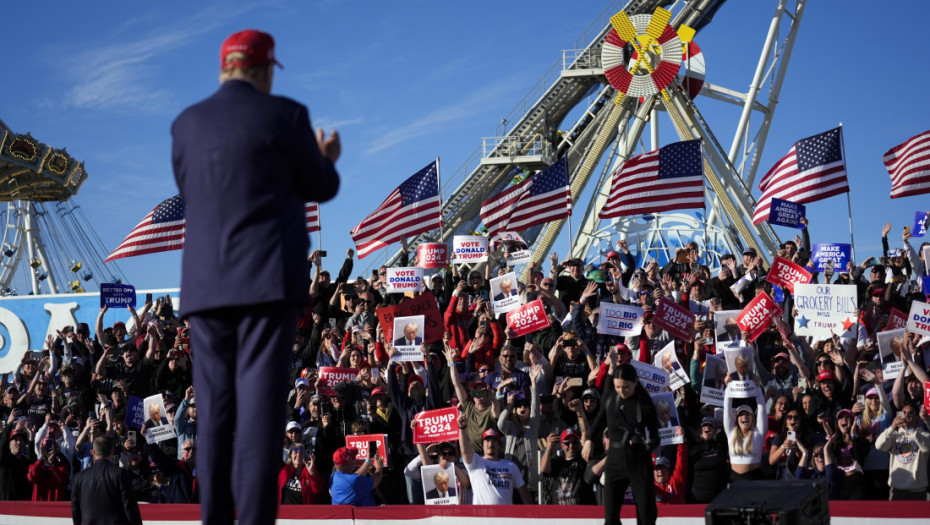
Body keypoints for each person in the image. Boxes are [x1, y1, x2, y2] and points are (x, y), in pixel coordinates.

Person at [172, 29, 340, 525]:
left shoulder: (186, 124)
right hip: (267, 284)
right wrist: (325, 156)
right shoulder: (285, 115)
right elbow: (321, 185)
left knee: (215, 412)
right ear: (266, 70)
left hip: (205, 289)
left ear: (225, 68)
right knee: (261, 415)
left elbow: (192, 186)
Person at [588, 363, 659, 525]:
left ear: (635, 382)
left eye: (625, 387)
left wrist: (645, 445)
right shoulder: (610, 398)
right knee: (610, 517)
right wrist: (589, 440)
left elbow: (655, 438)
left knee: (646, 515)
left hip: (639, 460)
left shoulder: (645, 404)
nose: (621, 390)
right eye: (617, 387)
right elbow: (598, 421)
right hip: (615, 458)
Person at [70, 435, 142, 525]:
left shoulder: (79, 477)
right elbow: (130, 507)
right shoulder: (120, 474)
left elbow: (75, 510)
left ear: (93, 452)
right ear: (112, 451)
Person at [457, 419, 531, 505]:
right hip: (482, 516)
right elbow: (465, 450)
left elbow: (523, 492)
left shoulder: (511, 465)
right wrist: (462, 428)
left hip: (505, 516)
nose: (490, 444)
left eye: (494, 441)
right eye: (487, 441)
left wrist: (532, 515)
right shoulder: (476, 461)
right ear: (483, 445)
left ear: (500, 446)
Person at [874, 401, 930, 500]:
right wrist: (892, 427)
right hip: (897, 490)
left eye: (910, 413)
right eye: (903, 412)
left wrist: (909, 430)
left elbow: (926, 448)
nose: (906, 415)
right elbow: (878, 445)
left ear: (917, 417)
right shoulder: (894, 435)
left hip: (917, 491)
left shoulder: (924, 435)